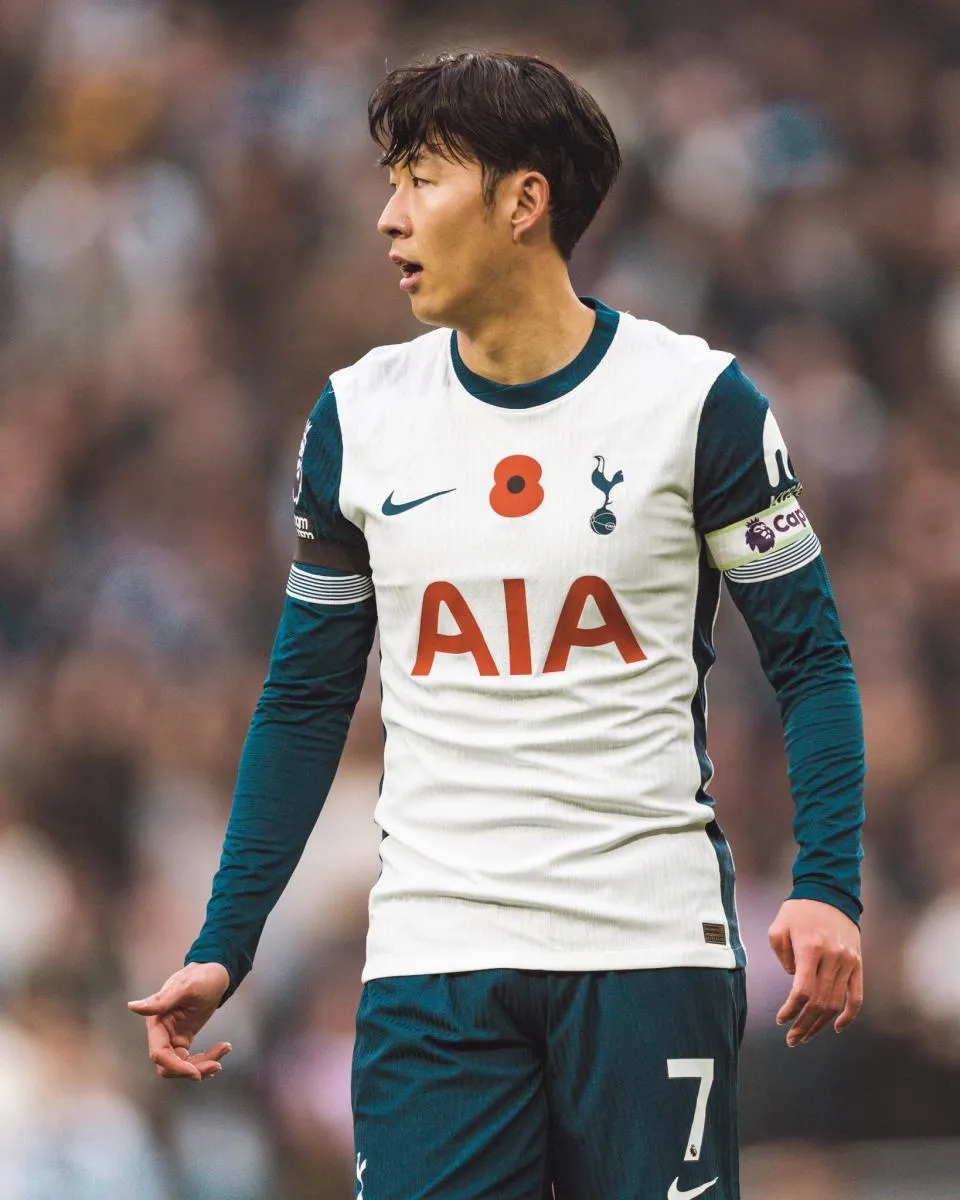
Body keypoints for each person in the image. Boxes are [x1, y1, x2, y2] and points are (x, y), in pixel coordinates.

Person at [129, 52, 865, 1199]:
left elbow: (811, 660)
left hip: (645, 944)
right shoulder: (358, 418)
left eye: (421, 179)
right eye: (391, 181)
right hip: (436, 956)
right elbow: (307, 698)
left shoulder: (698, 404)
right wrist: (227, 938)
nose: (389, 215)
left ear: (525, 201)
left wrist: (827, 881)